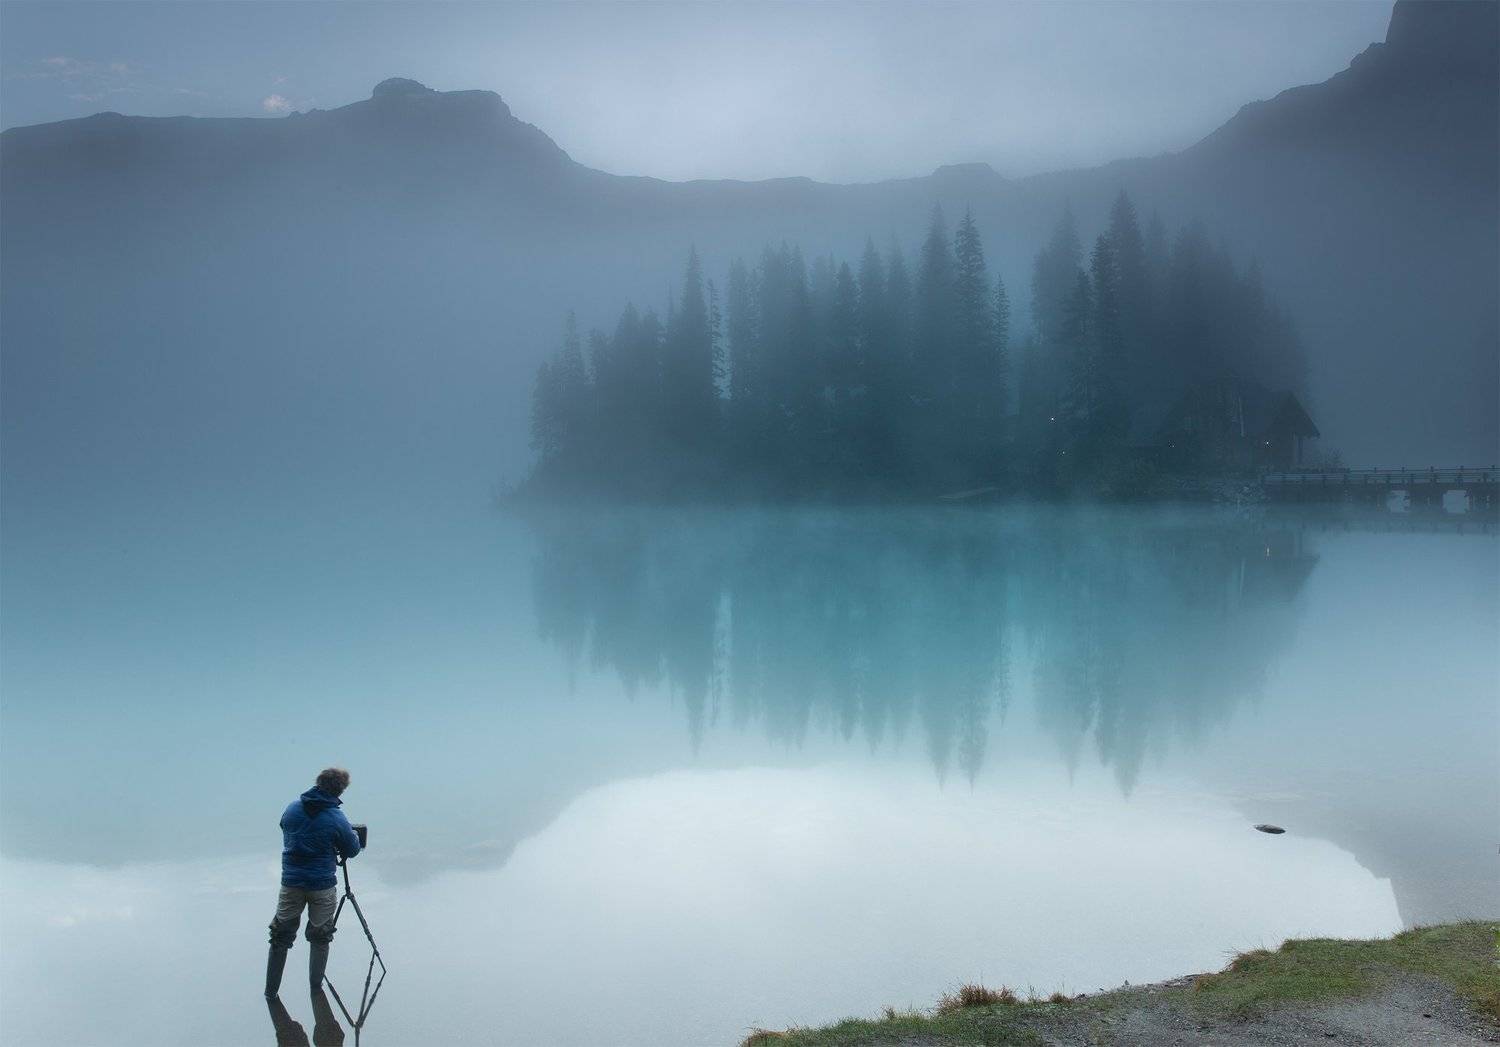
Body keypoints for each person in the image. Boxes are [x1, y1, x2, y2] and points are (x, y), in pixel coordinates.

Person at [265, 767, 362, 998]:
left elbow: (284, 827)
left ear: (318, 783)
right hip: (322, 886)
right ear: (340, 789)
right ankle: (315, 990)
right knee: (320, 937)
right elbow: (352, 849)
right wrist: (353, 836)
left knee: (280, 937)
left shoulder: (292, 809)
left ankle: (271, 992)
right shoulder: (335, 817)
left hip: (291, 883)